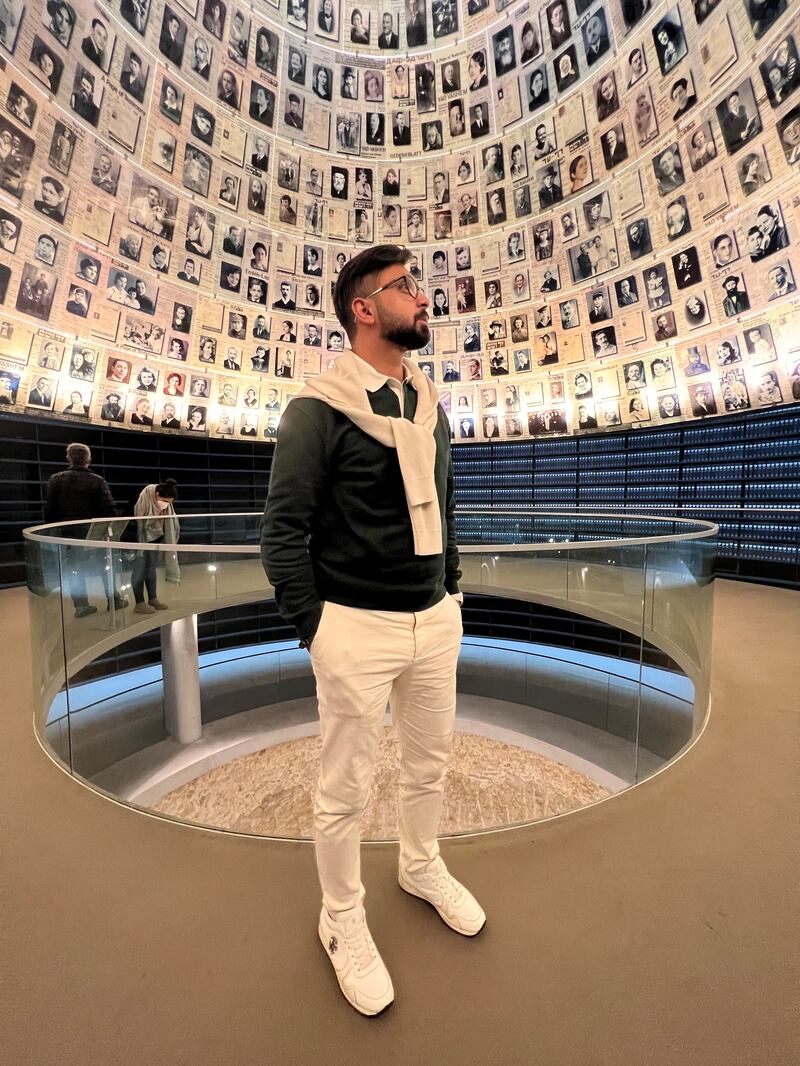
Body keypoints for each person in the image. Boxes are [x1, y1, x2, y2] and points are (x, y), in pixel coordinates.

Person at [261, 245, 484, 1018]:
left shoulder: (428, 402)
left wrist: (450, 592)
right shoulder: (317, 408)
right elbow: (282, 532)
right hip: (353, 627)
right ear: (364, 309)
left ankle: (420, 865)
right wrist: (317, 629)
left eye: (418, 285)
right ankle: (341, 917)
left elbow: (448, 509)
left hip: (433, 620)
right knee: (345, 788)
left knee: (430, 765)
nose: (423, 298)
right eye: (404, 288)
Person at [44, 443, 127, 615]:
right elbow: (109, 510)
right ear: (88, 459)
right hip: (94, 535)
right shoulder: (98, 481)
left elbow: (50, 511)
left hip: (67, 536)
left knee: (74, 570)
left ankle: (81, 606)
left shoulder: (56, 479)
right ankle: (114, 600)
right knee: (106, 566)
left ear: (69, 458)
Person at [131, 479, 179, 614]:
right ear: (157, 494)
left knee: (151, 569)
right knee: (139, 571)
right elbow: (131, 522)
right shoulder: (140, 500)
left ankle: (153, 598)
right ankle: (139, 603)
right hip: (138, 542)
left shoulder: (165, 506)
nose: (166, 506)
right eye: (165, 501)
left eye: (169, 503)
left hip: (155, 540)